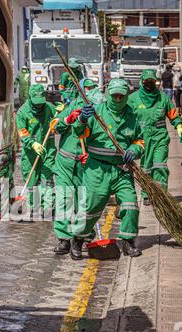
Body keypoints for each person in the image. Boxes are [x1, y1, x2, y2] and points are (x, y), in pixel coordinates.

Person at [64, 79, 146, 258]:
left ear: (126, 96)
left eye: (120, 96)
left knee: (131, 204)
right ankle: (77, 240)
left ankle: (128, 241)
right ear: (108, 94)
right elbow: (79, 133)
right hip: (97, 170)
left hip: (122, 170)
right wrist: (83, 119)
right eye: (114, 95)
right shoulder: (97, 113)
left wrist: (134, 149)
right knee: (91, 208)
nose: (117, 99)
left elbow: (140, 140)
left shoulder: (131, 116)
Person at [50, 79, 105, 260]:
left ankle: (81, 238)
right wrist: (68, 119)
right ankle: (64, 239)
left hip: (86, 166)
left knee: (84, 203)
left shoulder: (102, 112)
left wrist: (93, 156)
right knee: (64, 200)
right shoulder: (73, 106)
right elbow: (54, 127)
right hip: (65, 163)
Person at [129, 69, 182, 206]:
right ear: (142, 82)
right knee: (146, 168)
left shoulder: (163, 98)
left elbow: (173, 115)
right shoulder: (133, 99)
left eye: (152, 81)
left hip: (160, 139)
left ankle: (161, 195)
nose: (149, 84)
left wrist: (179, 126)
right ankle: (147, 194)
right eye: (147, 81)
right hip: (142, 140)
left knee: (160, 166)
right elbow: (124, 117)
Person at [16, 84, 58, 218]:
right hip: (30, 153)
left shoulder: (49, 108)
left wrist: (62, 113)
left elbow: (61, 120)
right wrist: (32, 143)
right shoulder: (23, 112)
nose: (39, 106)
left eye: (41, 103)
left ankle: (48, 208)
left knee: (47, 179)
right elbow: (22, 133)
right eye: (36, 103)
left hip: (48, 149)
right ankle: (33, 206)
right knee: (31, 181)